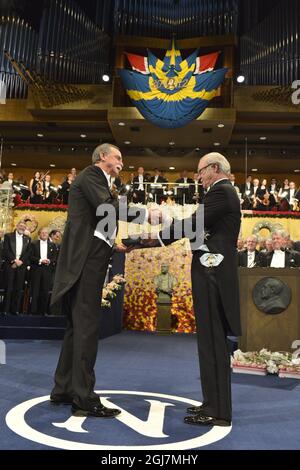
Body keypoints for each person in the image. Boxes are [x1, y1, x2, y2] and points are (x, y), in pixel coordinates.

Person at [50, 143, 160, 418]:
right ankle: (84, 399)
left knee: (77, 328)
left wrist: (115, 245)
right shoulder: (91, 176)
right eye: (118, 157)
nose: (122, 161)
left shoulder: (101, 182)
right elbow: (107, 209)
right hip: (86, 263)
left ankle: (63, 389)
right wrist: (147, 214)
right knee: (86, 328)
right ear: (102, 157)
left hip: (90, 259)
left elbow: (97, 223)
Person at [146, 152, 241, 427]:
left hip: (213, 276)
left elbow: (192, 225)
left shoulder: (221, 192)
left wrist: (153, 238)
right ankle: (213, 404)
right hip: (210, 275)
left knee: (213, 345)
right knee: (210, 344)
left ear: (214, 168)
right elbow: (195, 228)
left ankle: (219, 411)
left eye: (200, 172)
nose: (198, 177)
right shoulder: (219, 194)